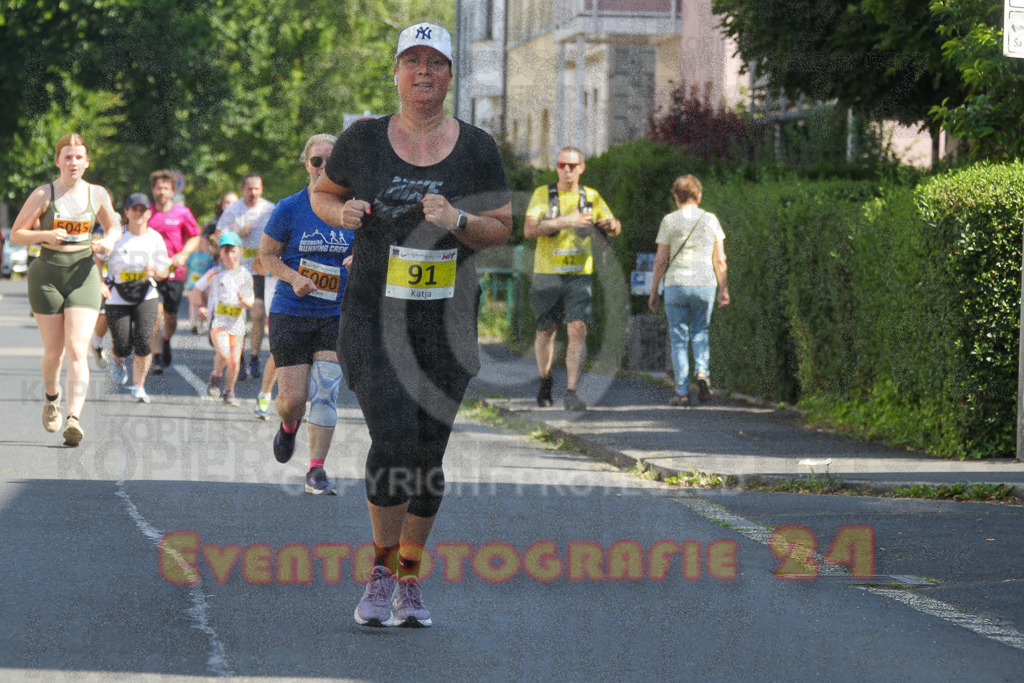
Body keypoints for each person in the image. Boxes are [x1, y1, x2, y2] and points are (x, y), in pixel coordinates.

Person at [311, 21, 512, 628]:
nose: (423, 72)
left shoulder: (477, 147)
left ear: (450, 75)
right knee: (393, 438)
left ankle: (408, 577)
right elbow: (324, 194)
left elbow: (501, 227)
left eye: (435, 63)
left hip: (445, 324)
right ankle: (379, 572)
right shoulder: (364, 140)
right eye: (412, 61)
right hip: (373, 315)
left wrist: (456, 218)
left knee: (427, 456)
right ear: (396, 72)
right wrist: (339, 210)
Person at [10, 133, 122, 446]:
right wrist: (45, 235)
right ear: (58, 160)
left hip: (83, 273)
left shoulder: (97, 194)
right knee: (53, 352)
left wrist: (109, 241)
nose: (73, 163)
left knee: (76, 348)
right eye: (67, 157)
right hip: (46, 274)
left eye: (79, 157)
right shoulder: (44, 194)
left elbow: (113, 225)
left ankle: (73, 418)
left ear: (87, 162)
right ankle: (51, 398)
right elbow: (17, 234)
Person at [259, 133, 353, 494]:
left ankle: (316, 470)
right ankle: (288, 426)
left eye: (331, 161)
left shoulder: (352, 210)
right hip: (292, 311)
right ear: (306, 164)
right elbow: (267, 256)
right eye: (317, 161)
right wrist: (294, 277)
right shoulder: (289, 207)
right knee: (293, 401)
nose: (323, 168)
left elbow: (374, 248)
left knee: (327, 390)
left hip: (336, 314)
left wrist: (359, 258)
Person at [524, 146, 621, 411]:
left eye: (572, 166)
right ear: (556, 167)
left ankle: (571, 393)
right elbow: (529, 229)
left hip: (579, 274)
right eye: (561, 165)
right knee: (546, 331)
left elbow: (615, 225)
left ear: (581, 168)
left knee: (578, 328)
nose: (567, 170)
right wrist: (566, 221)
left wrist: (610, 226)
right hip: (547, 274)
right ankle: (545, 380)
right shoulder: (543, 195)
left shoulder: (591, 196)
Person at [647, 174, 730, 406]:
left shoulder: (669, 221)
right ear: (699, 196)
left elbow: (660, 260)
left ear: (676, 197)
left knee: (679, 338)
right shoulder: (711, 220)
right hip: (705, 283)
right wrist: (724, 288)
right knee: (701, 331)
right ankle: (702, 372)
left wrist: (654, 290)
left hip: (676, 284)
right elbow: (720, 258)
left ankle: (683, 392)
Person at [98, 193, 171, 403]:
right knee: (122, 344)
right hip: (117, 295)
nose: (139, 213)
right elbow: (98, 259)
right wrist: (100, 282)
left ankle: (139, 387)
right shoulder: (116, 237)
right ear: (127, 213)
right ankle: (118, 360)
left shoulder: (155, 238)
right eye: (134, 209)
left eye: (143, 209)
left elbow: (165, 270)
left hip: (146, 294)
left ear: (149, 212)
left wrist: (155, 270)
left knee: (143, 342)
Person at [216, 174, 275, 380]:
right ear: (242, 190)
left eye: (257, 189)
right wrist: (238, 235)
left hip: (261, 270)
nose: (253, 193)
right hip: (238, 271)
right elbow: (219, 235)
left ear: (262, 189)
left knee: (258, 313)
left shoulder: (270, 209)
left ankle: (255, 357)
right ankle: (238, 358)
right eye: (249, 189)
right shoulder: (233, 210)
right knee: (235, 316)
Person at [146, 169, 202, 372]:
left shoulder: (182, 212)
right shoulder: (146, 212)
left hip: (174, 272)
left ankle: (166, 341)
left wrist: (184, 254)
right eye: (158, 188)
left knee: (170, 316)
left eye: (166, 188)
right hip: (151, 272)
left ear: (172, 191)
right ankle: (157, 353)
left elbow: (195, 235)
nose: (162, 192)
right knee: (155, 311)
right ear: (153, 190)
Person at [194, 232, 255, 406]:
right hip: (218, 323)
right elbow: (197, 288)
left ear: (240, 252)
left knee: (235, 360)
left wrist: (245, 301)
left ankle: (229, 392)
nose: (230, 255)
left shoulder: (245, 275)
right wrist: (201, 307)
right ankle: (216, 376)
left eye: (233, 251)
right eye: (226, 251)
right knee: (224, 353)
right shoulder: (214, 272)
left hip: (237, 324)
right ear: (220, 253)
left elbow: (250, 301)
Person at [188, 191, 238, 333]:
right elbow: (204, 244)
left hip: (239, 265)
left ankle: (232, 323)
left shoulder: (242, 221)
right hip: (216, 264)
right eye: (227, 202)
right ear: (221, 205)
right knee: (212, 290)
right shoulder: (214, 223)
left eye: (233, 202)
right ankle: (211, 318)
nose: (230, 206)